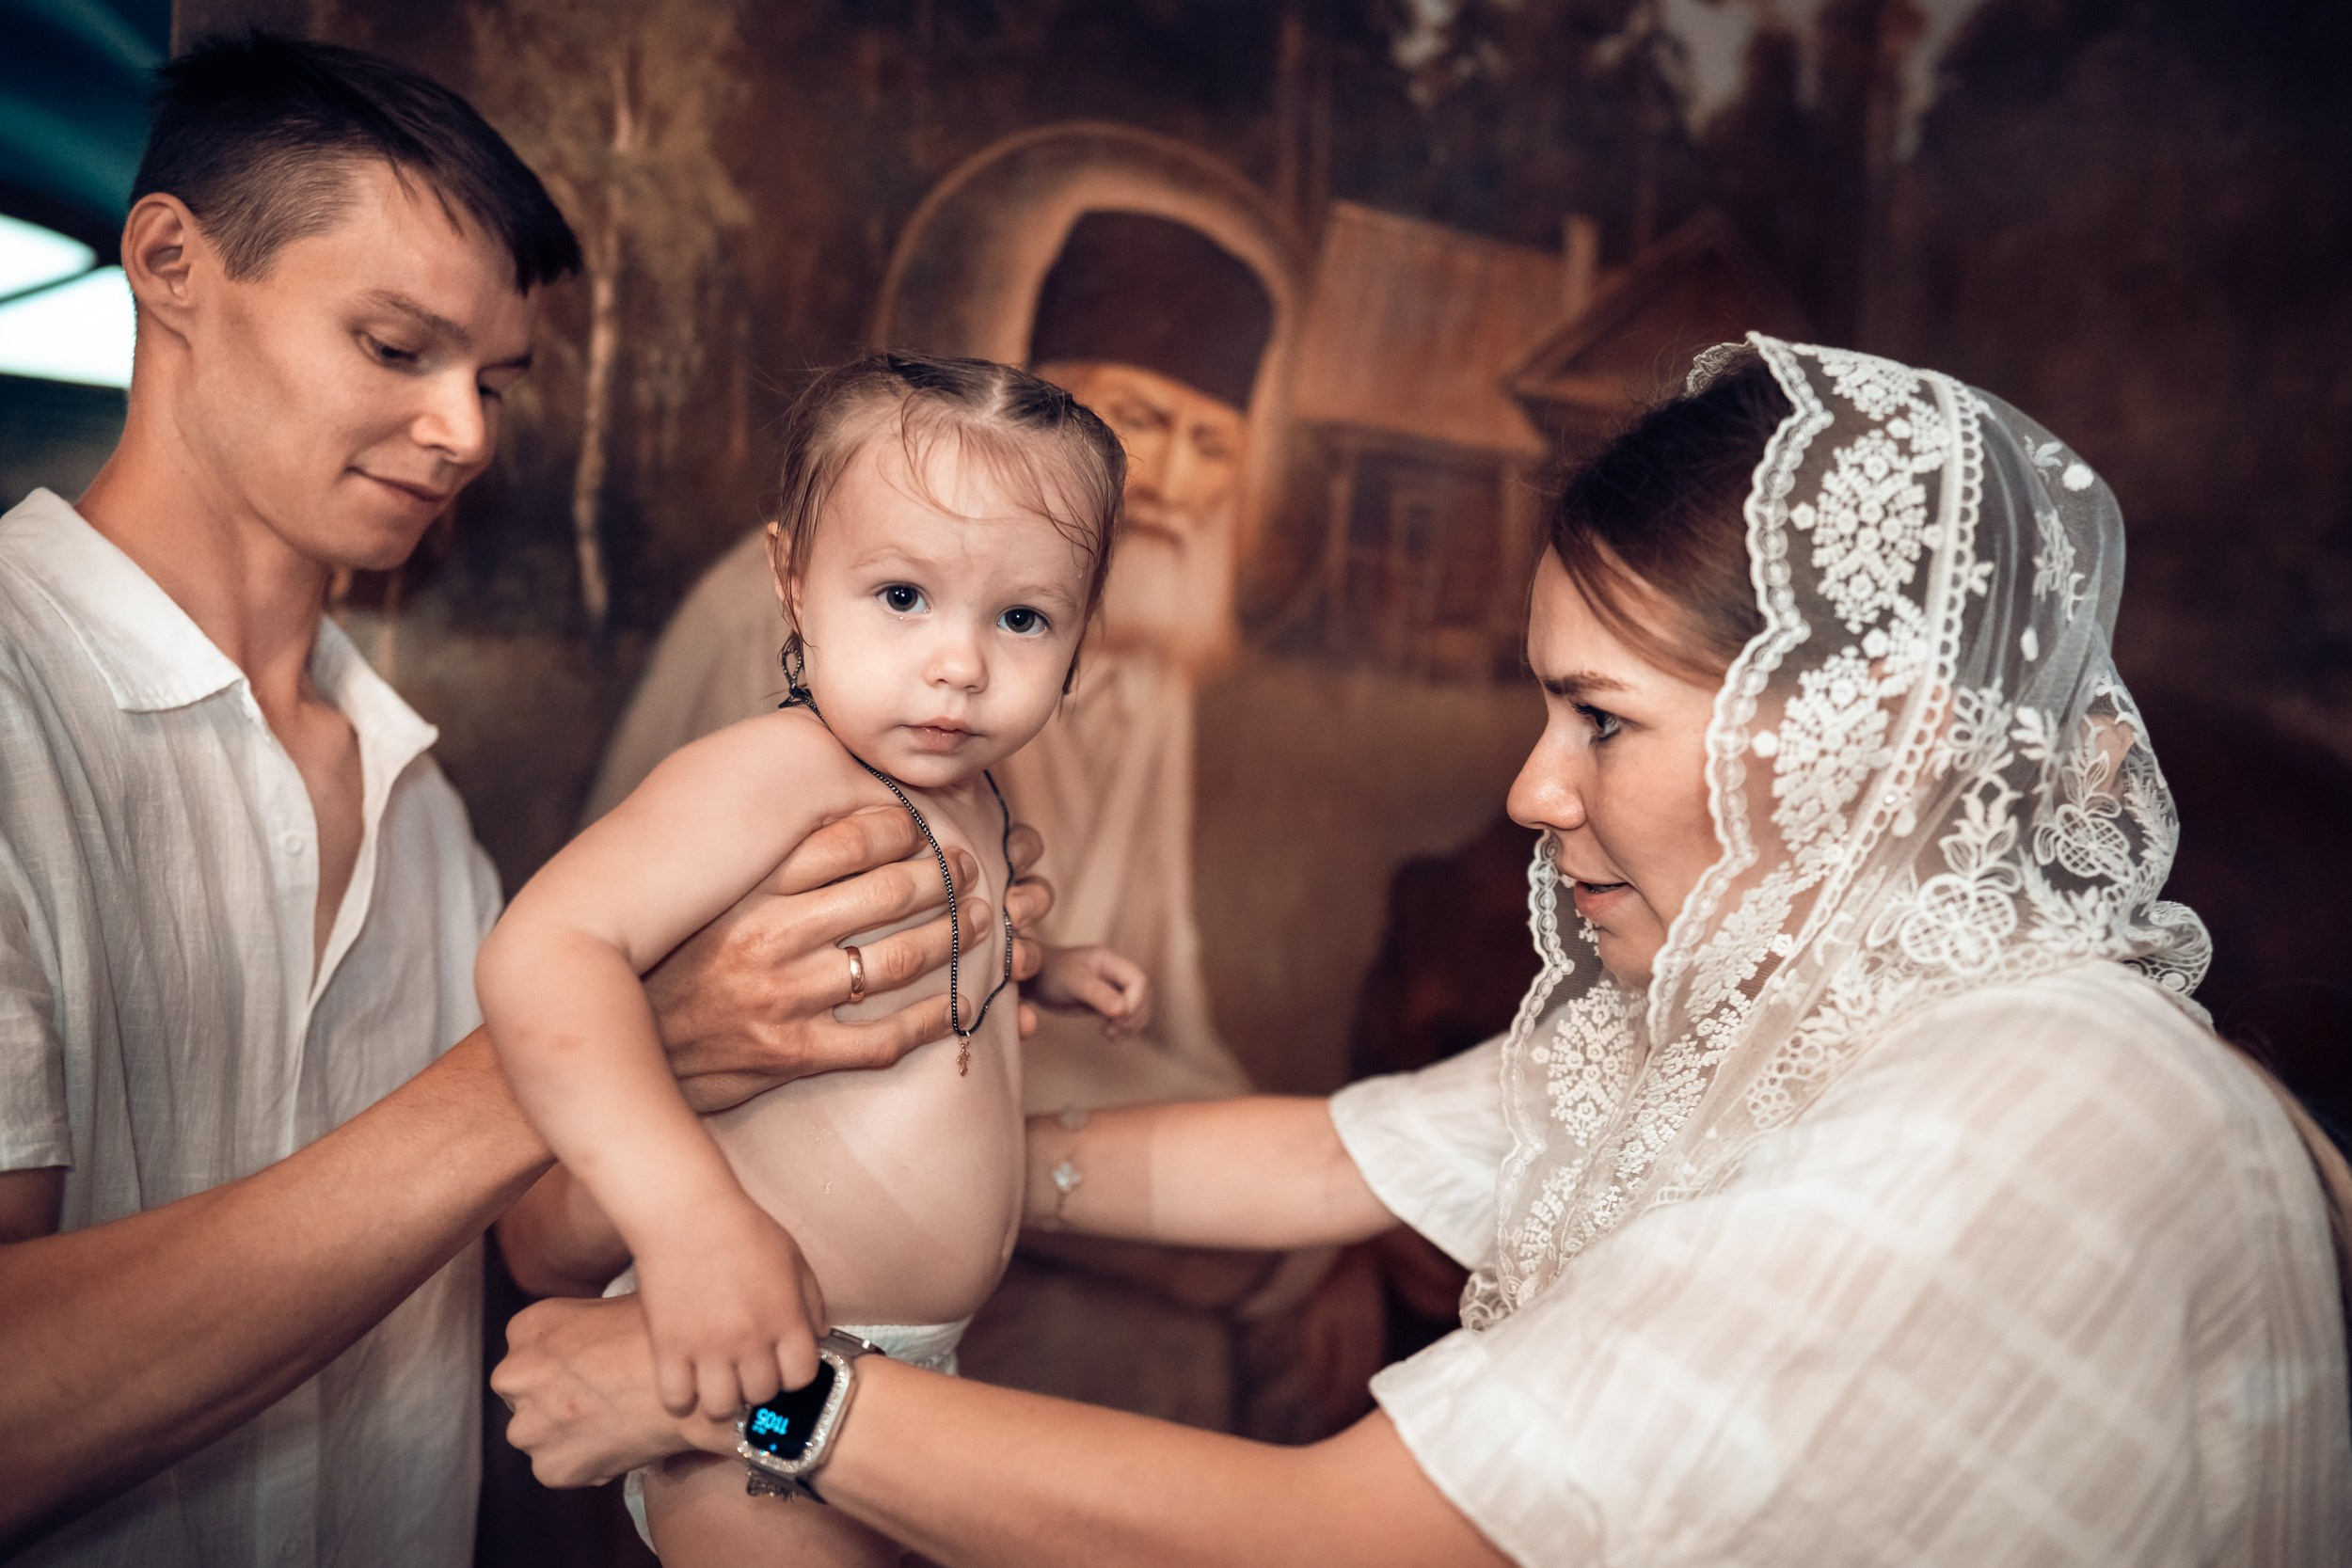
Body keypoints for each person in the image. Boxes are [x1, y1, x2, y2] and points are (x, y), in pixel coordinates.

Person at [495, 337, 2352, 1565]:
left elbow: (1343, 1542)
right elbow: (1322, 1152)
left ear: (1869, 738)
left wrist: (752, 1386)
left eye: (1598, 720)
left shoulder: (2013, 1106)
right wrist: (888, 1135)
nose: (1530, 789)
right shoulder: (1838, 1003)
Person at [0, 37, 1039, 1565]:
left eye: (492, 380)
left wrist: (817, 1042)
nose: (468, 434)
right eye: (396, 347)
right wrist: (621, 1032)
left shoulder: (421, 806)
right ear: (170, 264)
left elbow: (536, 1251)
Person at [479, 352, 1146, 1564]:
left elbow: (928, 945)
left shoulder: (976, 789)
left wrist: (1041, 965)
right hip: (747, 1345)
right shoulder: (776, 771)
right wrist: (684, 1219)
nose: (961, 664)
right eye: (902, 596)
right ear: (792, 581)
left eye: (1022, 618)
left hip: (905, 1368)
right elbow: (549, 943)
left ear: (1082, 630)